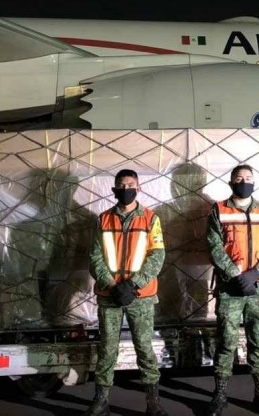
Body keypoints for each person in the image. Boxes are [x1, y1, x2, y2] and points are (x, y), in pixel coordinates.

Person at [85, 169, 169, 416]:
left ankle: (153, 403)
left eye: (130, 185)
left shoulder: (150, 219)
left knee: (144, 348)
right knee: (107, 349)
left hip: (140, 297)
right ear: (114, 190)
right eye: (121, 186)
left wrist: (133, 285)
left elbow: (157, 255)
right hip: (109, 296)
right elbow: (95, 257)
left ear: (138, 188)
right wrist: (112, 285)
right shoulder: (103, 219)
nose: (126, 189)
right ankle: (101, 401)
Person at [205, 164, 259, 416]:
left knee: (258, 342)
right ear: (231, 183)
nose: (244, 182)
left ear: (254, 182)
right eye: (239, 178)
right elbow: (214, 246)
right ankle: (220, 395)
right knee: (226, 342)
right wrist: (235, 274)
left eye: (249, 178)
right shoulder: (219, 210)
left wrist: (257, 272)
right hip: (230, 289)